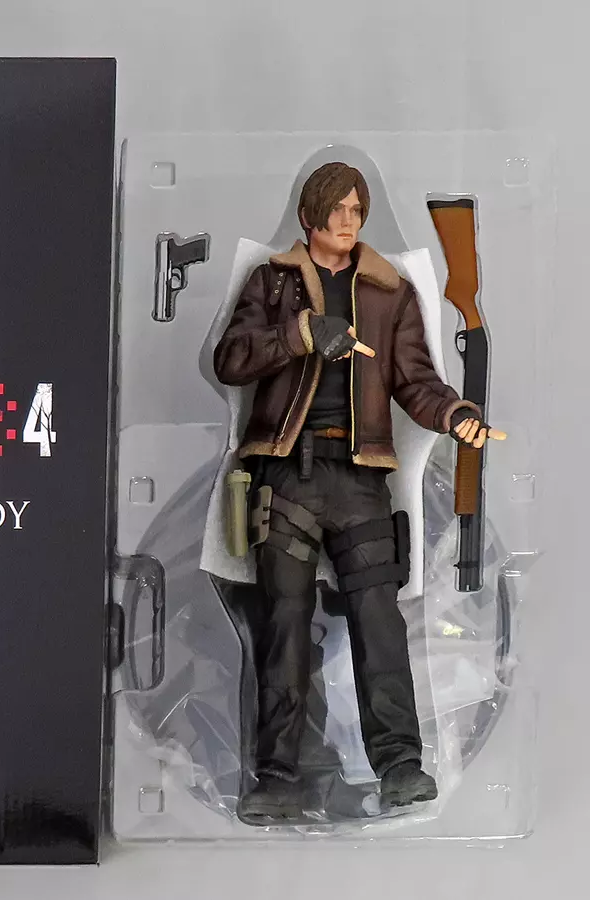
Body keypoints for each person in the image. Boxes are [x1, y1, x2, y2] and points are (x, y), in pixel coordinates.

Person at [213, 161, 505, 819]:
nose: (348, 221)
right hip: (286, 476)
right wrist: (299, 334)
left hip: (361, 478)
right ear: (310, 214)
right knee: (283, 627)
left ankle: (400, 766)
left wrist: (454, 414)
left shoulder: (386, 290)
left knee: (380, 622)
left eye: (356, 210)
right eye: (337, 209)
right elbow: (230, 360)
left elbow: (415, 381)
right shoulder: (274, 281)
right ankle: (276, 775)